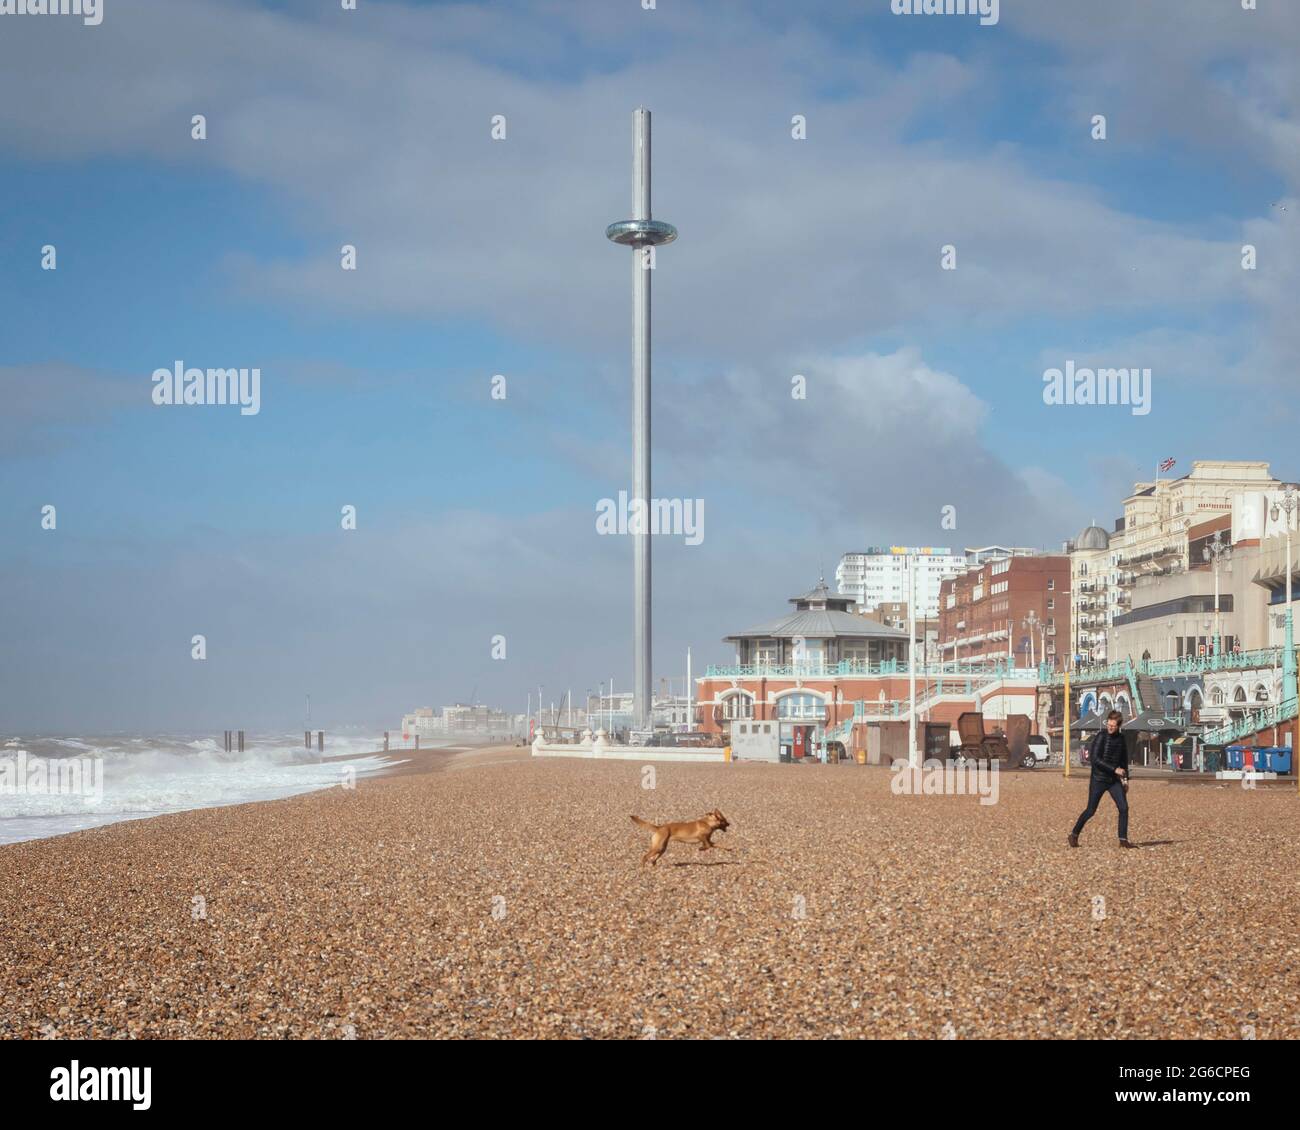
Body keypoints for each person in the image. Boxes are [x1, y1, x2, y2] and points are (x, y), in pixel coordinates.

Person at [1067, 709, 1134, 849]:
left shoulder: (1121, 739)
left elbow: (1124, 761)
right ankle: (1074, 834)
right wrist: (1114, 769)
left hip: (1114, 781)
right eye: (1109, 724)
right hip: (1098, 779)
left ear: (1118, 726)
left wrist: (1125, 780)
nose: (1110, 727)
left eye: (1113, 726)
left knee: (1124, 808)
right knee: (1091, 810)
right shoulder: (1101, 736)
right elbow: (1095, 759)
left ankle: (1123, 839)